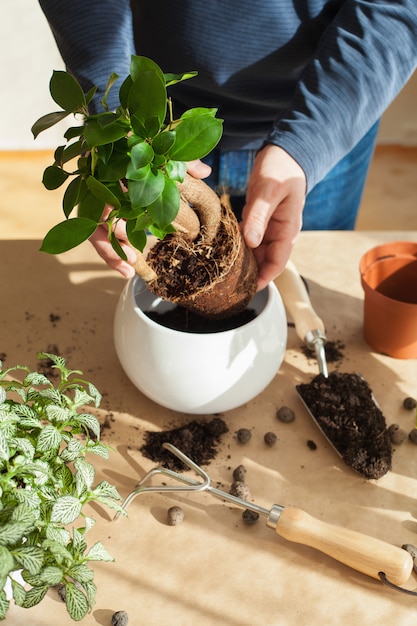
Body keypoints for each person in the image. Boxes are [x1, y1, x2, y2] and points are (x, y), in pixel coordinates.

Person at [38, 1, 417, 290]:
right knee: (162, 278)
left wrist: (306, 144)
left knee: (307, 293)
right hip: (156, 128)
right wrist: (115, 120)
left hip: (328, 115)